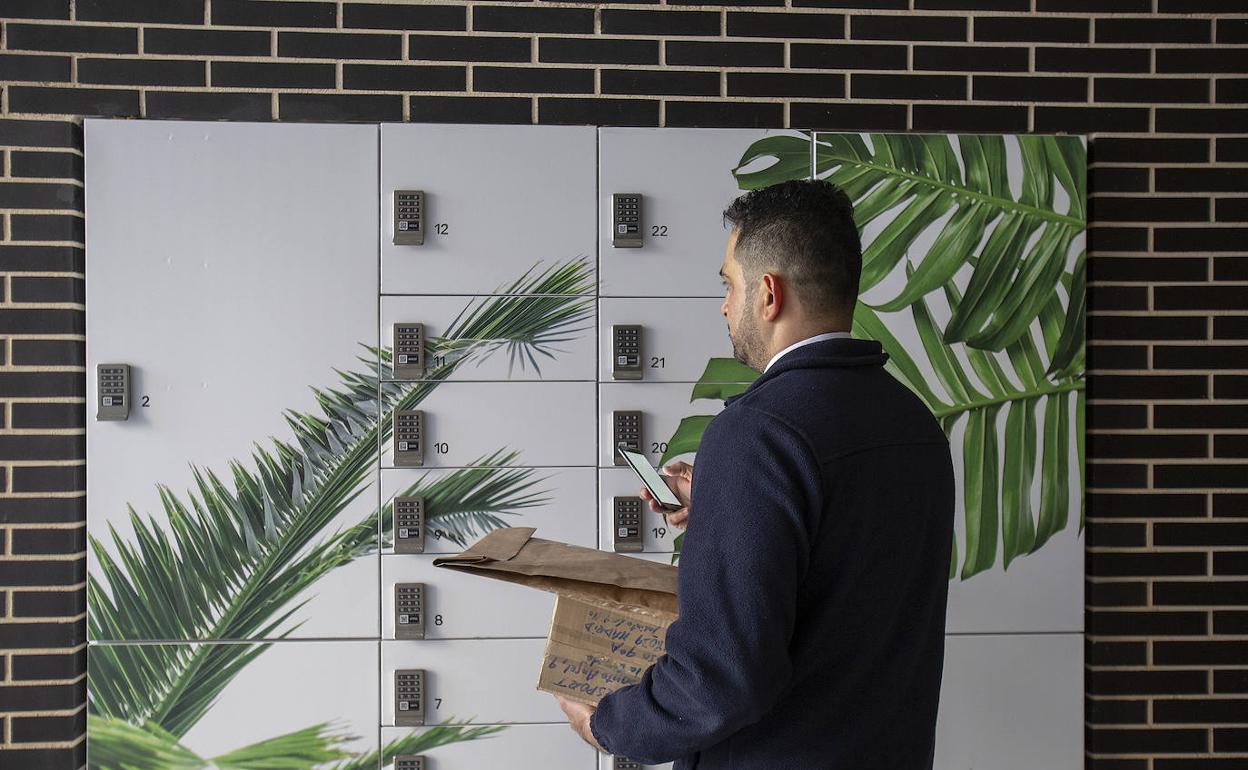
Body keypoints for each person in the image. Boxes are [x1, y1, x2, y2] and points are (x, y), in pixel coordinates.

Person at [555, 179, 956, 769]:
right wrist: (724, 504)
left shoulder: (757, 433)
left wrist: (609, 725)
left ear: (768, 294)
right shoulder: (913, 424)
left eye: (729, 284)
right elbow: (842, 560)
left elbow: (721, 678)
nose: (724, 305)